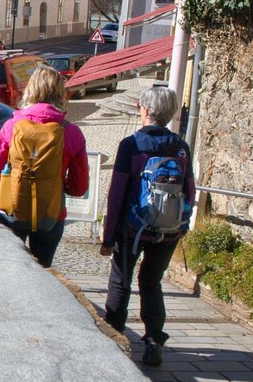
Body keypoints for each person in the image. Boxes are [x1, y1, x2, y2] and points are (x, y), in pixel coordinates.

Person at [99, 86, 195, 366]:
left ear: (145, 110)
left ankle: (113, 336)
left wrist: (109, 236)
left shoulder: (131, 144)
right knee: (151, 282)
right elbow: (189, 189)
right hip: (167, 230)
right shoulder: (180, 147)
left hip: (132, 228)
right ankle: (153, 340)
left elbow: (117, 192)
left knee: (121, 280)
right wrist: (182, 225)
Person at [0, 65, 89, 268]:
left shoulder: (11, 127)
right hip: (51, 215)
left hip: (13, 210)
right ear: (60, 93)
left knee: (11, 270)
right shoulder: (71, 132)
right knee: (43, 273)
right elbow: (79, 187)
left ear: (30, 90)